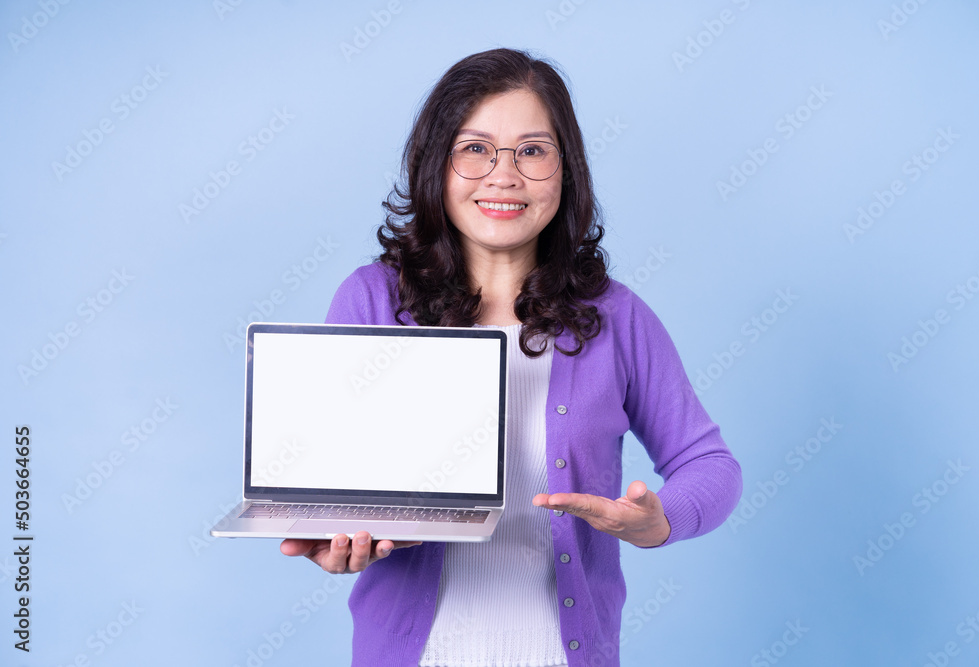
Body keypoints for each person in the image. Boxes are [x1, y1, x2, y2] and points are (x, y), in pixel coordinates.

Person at [279, 48, 742, 666]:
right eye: (474, 148)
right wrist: (339, 538)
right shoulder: (372, 299)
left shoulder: (618, 317)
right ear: (435, 165)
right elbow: (335, 481)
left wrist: (656, 522)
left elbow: (710, 464)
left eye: (532, 150)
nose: (504, 175)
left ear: (565, 170)